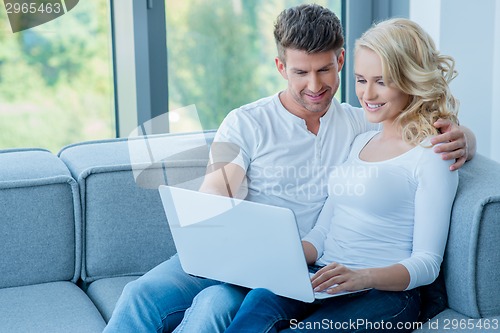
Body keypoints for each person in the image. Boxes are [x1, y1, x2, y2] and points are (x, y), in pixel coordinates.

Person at [103, 5, 475, 333]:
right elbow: (216, 199)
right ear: (281, 67)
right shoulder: (247, 122)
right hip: (238, 254)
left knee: (213, 308)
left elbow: (411, 129)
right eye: (300, 72)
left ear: (340, 61)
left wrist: (464, 138)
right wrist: (221, 230)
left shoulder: (360, 124)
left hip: (299, 268)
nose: (314, 86)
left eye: (324, 70)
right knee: (141, 295)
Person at [208, 17, 461, 333]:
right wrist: (280, 257)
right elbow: (324, 231)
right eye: (360, 79)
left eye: (381, 81)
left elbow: (427, 263)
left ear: (410, 80)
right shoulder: (360, 139)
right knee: (257, 307)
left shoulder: (434, 155)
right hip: (322, 275)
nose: (367, 94)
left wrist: (362, 277)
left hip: (384, 294)